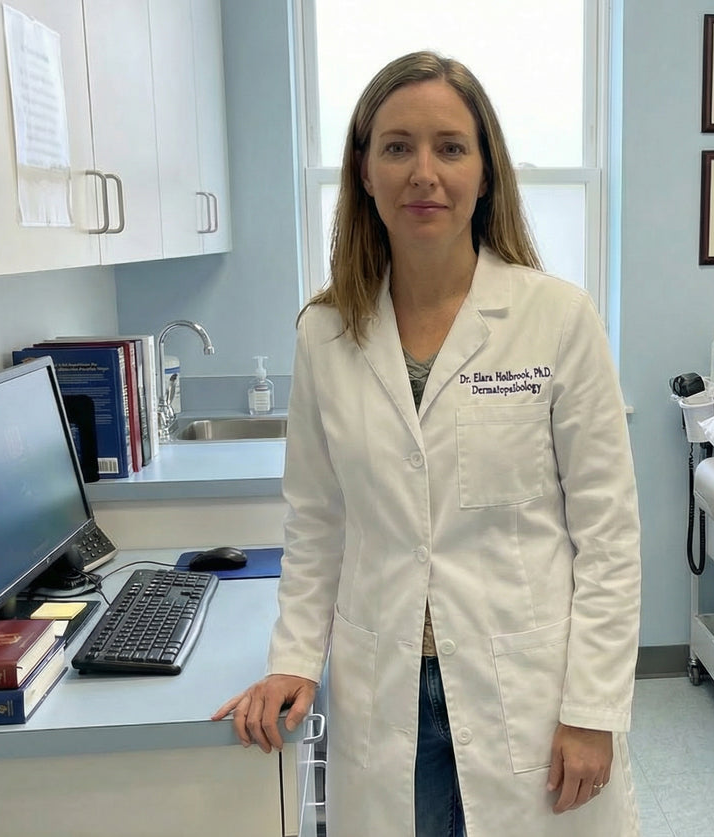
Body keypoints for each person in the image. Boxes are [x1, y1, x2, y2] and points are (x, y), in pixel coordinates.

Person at [212, 51, 642, 837]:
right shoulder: (325, 333)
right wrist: (294, 658)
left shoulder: (557, 318)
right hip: (387, 689)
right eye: (397, 147)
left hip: (530, 687)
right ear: (365, 171)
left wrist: (593, 708)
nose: (424, 173)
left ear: (485, 173)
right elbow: (316, 521)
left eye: (450, 147)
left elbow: (608, 536)